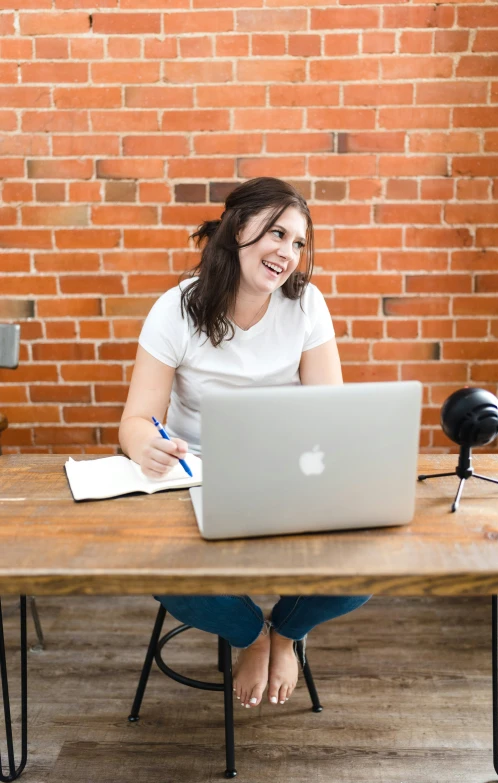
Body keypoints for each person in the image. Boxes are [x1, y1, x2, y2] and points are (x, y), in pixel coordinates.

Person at [119, 177, 370, 712]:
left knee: (372, 564)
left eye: (299, 242)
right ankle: (252, 635)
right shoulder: (176, 309)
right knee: (161, 574)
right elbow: (137, 421)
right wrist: (146, 445)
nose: (288, 252)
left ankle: (287, 630)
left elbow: (333, 417)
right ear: (237, 229)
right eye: (277, 233)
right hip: (198, 481)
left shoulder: (306, 306)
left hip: (289, 478)